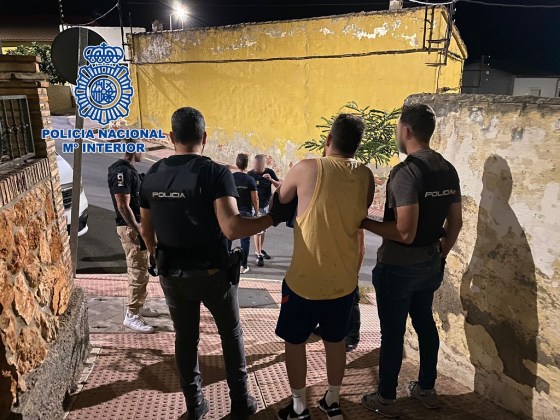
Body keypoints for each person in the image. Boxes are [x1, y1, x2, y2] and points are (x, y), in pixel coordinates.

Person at [139, 107, 295, 420]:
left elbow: (146, 230)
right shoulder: (215, 172)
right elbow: (232, 228)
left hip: (172, 274)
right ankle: (240, 403)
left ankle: (195, 406)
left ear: (171, 137)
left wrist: (157, 255)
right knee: (231, 334)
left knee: (186, 339)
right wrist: (272, 218)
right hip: (213, 273)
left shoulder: (152, 175)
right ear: (205, 138)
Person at [360, 104, 463, 418]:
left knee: (392, 334)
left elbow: (404, 232)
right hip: (430, 263)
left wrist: (364, 222)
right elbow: (456, 223)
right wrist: (442, 254)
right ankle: (426, 389)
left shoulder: (406, 172)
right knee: (424, 324)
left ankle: (386, 398)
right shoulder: (447, 169)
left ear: (405, 130)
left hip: (399, 267)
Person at [274, 114, 375, 420]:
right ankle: (332, 401)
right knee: (336, 342)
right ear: (357, 146)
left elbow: (281, 199)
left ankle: (298, 406)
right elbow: (359, 209)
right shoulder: (366, 176)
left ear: (328, 140)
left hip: (304, 281)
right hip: (343, 282)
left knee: (295, 343)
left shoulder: (306, 167)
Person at [108, 141, 157, 333]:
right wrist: (138, 228)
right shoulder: (121, 171)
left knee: (142, 268)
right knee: (137, 270)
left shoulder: (128, 170)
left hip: (136, 227)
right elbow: (122, 205)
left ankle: (139, 306)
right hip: (131, 229)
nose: (144, 153)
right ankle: (132, 315)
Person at [228, 153, 259, 273]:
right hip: (246, 212)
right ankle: (243, 265)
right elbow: (255, 199)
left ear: (236, 164)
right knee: (245, 240)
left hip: (231, 211)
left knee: (228, 237)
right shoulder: (250, 180)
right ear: (246, 165)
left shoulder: (230, 177)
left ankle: (226, 263)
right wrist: (256, 213)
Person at [248, 154, 281, 267]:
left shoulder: (269, 172)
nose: (255, 166)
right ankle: (258, 254)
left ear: (263, 164)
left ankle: (260, 250)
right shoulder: (250, 174)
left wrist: (271, 180)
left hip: (266, 206)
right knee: (257, 230)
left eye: (257, 164)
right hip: (255, 207)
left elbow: (279, 186)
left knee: (263, 230)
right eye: (254, 163)